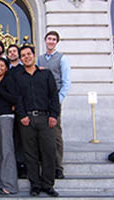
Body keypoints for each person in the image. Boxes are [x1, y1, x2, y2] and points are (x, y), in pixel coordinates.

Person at [15, 45, 60, 197]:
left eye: (29, 54)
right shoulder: (19, 77)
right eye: (23, 55)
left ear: (34, 56)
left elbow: (53, 96)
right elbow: (17, 98)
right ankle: (34, 184)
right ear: (21, 59)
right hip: (27, 120)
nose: (26, 57)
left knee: (49, 151)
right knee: (30, 153)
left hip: (45, 119)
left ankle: (48, 184)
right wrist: (22, 116)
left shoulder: (46, 74)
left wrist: (54, 115)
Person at [37, 31, 71, 179]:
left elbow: (66, 82)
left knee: (55, 134)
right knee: (41, 134)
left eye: (53, 39)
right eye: (49, 39)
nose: (51, 41)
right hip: (40, 102)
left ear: (56, 42)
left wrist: (57, 100)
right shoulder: (39, 59)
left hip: (54, 102)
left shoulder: (62, 59)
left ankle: (58, 166)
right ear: (45, 41)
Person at [0, 58, 19, 195]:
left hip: (6, 117)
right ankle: (0, 183)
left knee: (7, 150)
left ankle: (10, 185)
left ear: (6, 68)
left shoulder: (8, 80)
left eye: (2, 65)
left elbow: (13, 98)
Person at [6, 44, 26, 178]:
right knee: (10, 138)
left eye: (14, 51)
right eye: (10, 52)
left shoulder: (23, 69)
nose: (12, 53)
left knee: (21, 138)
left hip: (22, 109)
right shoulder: (5, 69)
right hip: (8, 109)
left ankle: (22, 166)